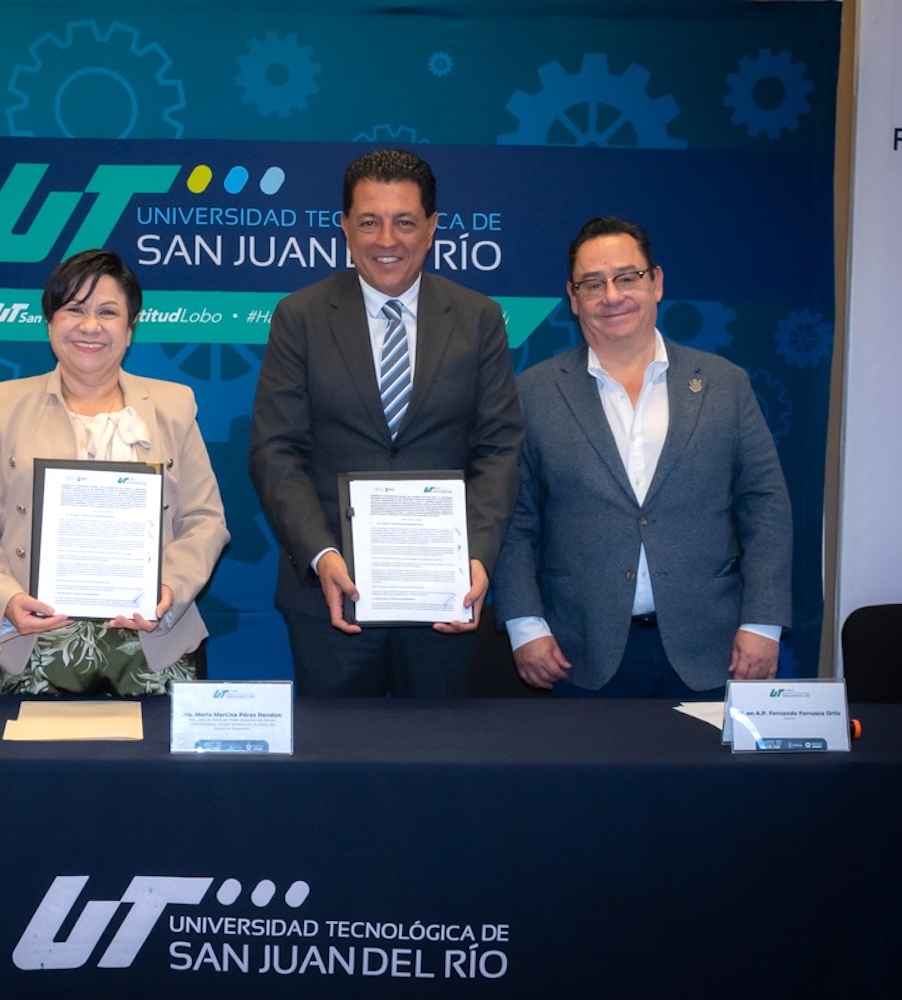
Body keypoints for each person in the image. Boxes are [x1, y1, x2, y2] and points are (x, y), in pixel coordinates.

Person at [248, 149, 524, 697]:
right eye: (369, 222)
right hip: (332, 597)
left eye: (405, 222)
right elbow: (275, 451)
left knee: (442, 748)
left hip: (445, 594)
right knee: (335, 750)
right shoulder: (300, 317)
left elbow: (499, 450)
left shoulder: (479, 318)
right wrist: (322, 555)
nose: (386, 240)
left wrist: (476, 557)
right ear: (345, 227)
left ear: (432, 227)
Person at [494, 216, 791, 698]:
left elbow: (765, 508)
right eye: (593, 284)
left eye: (627, 277)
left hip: (713, 649)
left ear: (656, 282)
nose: (612, 296)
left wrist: (763, 623)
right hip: (577, 652)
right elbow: (514, 519)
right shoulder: (533, 393)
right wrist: (525, 626)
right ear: (573, 297)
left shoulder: (724, 384)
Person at [0, 249, 229, 695]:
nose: (90, 326)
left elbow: (204, 521)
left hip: (151, 643)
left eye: (108, 312)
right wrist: (6, 599)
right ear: (50, 323)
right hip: (29, 643)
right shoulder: (5, 405)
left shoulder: (174, 407)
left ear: (130, 329)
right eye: (74, 309)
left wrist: (170, 590)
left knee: (151, 745)